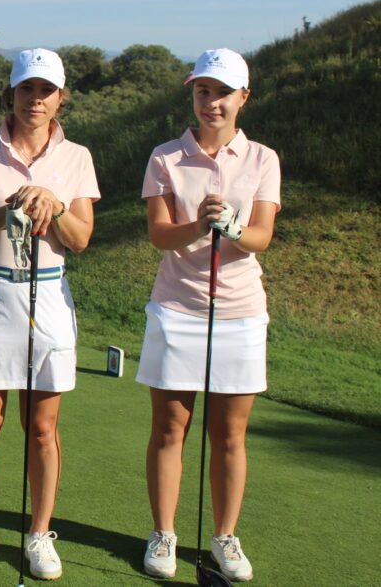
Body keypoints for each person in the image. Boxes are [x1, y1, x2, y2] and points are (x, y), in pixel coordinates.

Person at [0, 49, 99, 579]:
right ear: (11, 93)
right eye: (27, 89)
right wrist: (8, 208)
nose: (36, 100)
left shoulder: (77, 156)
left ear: (61, 97)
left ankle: (39, 535)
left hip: (49, 294)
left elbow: (80, 240)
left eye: (47, 91)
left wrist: (55, 205)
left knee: (42, 427)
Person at [137, 49, 279, 582]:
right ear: (192, 95)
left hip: (240, 312)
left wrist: (233, 227)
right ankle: (164, 534)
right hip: (177, 307)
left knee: (230, 434)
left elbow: (261, 237)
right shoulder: (165, 157)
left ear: (243, 97)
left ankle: (224, 538)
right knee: (170, 426)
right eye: (202, 91)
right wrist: (198, 226)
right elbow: (158, 234)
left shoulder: (263, 159)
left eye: (222, 93)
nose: (211, 102)